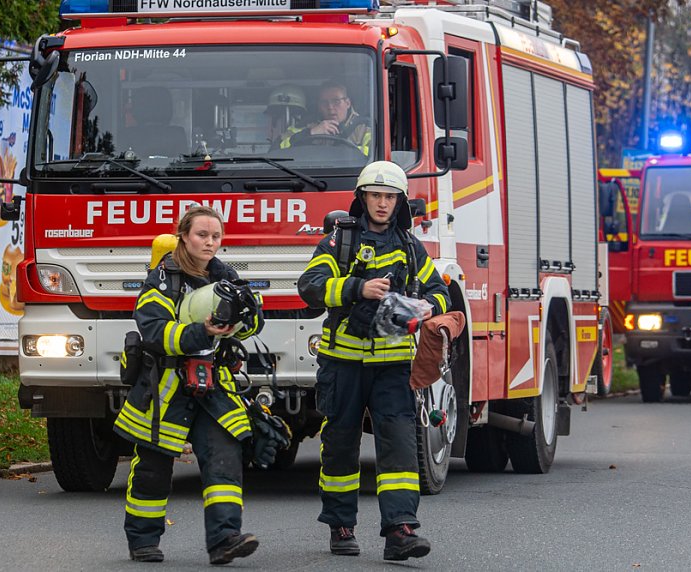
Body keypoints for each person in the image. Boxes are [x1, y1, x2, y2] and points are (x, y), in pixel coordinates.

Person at [297, 161, 450, 561]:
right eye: (375, 195)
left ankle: (400, 530)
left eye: (390, 197)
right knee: (340, 444)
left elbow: (440, 291)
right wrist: (357, 288)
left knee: (399, 444)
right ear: (362, 198)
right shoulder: (339, 241)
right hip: (342, 363)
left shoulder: (410, 246)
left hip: (394, 366)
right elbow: (310, 286)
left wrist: (425, 306)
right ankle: (340, 525)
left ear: (400, 202)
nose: (382, 203)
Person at [114, 205, 280, 565]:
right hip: (166, 386)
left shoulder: (225, 276)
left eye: (216, 236)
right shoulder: (162, 279)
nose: (209, 242)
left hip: (212, 385)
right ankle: (142, 540)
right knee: (153, 468)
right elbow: (155, 332)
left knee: (224, 456)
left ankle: (225, 540)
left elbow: (251, 326)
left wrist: (247, 315)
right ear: (184, 236)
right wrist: (200, 332)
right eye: (202, 235)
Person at [278, 80, 371, 155]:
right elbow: (278, 149)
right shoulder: (304, 125)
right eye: (324, 102)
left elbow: (372, 158)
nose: (330, 107)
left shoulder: (367, 128)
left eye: (336, 101)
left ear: (348, 103)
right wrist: (311, 133)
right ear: (319, 106)